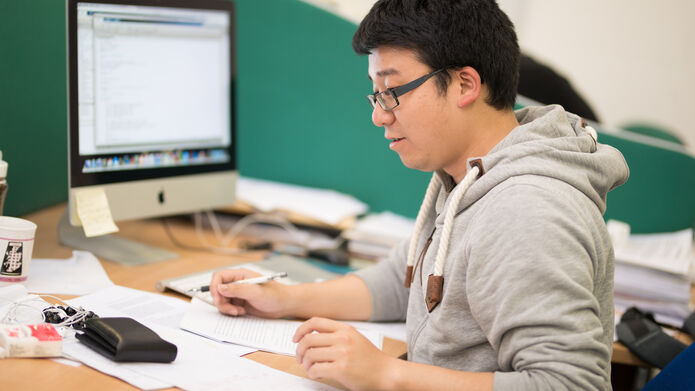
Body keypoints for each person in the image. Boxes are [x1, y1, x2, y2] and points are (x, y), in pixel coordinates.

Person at [210, 0, 629, 389]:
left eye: (392, 91)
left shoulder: (525, 210)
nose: (379, 115)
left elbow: (571, 384)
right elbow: (405, 283)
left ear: (465, 85)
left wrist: (387, 373)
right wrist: (284, 300)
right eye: (376, 94)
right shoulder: (469, 175)